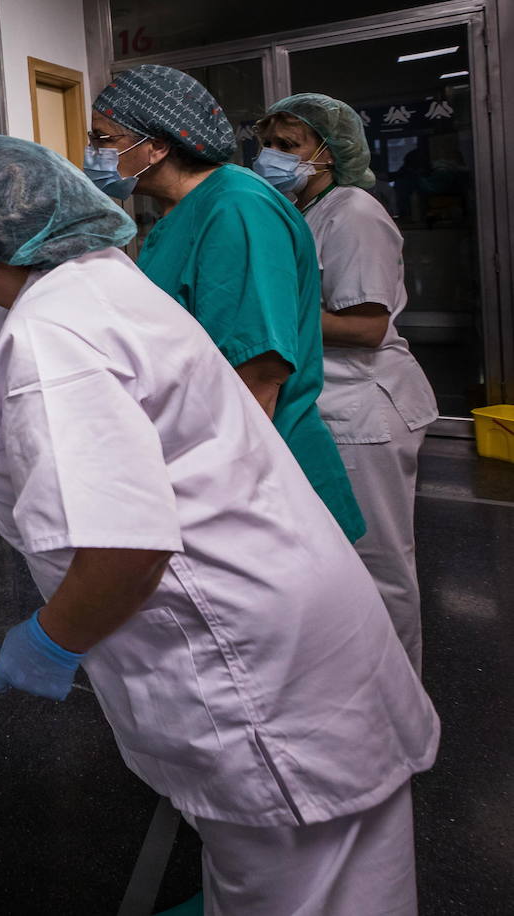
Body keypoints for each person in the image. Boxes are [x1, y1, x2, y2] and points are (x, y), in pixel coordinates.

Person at [0, 133, 438, 914]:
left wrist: (51, 639)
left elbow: (128, 550)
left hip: (253, 653)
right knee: (315, 861)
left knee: (309, 879)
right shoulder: (80, 280)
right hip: (287, 596)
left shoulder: (52, 341)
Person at [84, 64, 366, 543]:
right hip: (207, 459)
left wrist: (210, 499)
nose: (93, 155)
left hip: (255, 478)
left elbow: (257, 372)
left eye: (104, 140)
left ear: (155, 146)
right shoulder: (181, 212)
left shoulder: (237, 207)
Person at [256, 94, 439, 673]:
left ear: (329, 153)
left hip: (363, 409)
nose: (271, 157)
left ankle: (400, 706)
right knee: (335, 560)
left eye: (290, 147)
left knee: (378, 565)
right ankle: (355, 692)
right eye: (268, 144)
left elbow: (366, 325)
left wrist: (264, 317)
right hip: (326, 405)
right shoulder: (304, 210)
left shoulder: (354, 211)